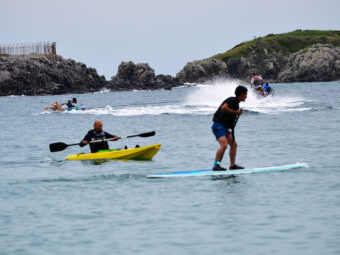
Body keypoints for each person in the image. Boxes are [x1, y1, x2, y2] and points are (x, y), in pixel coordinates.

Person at [211, 85, 248, 171]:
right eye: (245, 94)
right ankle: (216, 165)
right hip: (218, 126)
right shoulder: (232, 100)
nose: (246, 96)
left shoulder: (236, 103)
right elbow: (224, 108)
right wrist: (236, 112)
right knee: (224, 145)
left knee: (234, 145)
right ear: (241, 94)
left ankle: (232, 165)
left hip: (225, 127)